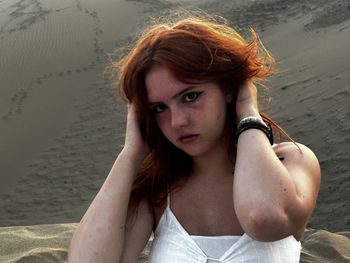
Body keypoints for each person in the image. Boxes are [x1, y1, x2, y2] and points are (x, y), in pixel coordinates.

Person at [68, 15, 321, 262]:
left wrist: (248, 113)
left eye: (190, 97)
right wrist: (131, 153)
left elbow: (263, 217)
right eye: (159, 108)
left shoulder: (290, 161)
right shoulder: (157, 190)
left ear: (229, 89)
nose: (177, 121)